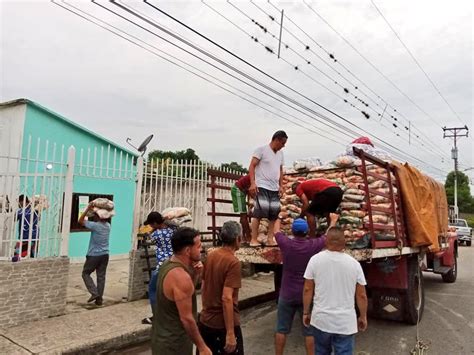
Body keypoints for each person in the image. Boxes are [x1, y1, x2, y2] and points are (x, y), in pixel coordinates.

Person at [274, 214, 339, 355]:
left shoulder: (286, 244)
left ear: (292, 231)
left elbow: (276, 232)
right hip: (306, 295)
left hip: (286, 294)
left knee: (281, 329)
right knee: (309, 332)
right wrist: (333, 221)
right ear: (306, 231)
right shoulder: (312, 245)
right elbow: (326, 236)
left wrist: (279, 217)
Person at [303, 227, 368, 355]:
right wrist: (363, 316)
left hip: (321, 320)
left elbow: (307, 289)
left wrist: (306, 312)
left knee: (321, 351)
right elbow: (361, 295)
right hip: (345, 324)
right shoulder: (354, 264)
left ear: (326, 241)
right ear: (344, 243)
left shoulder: (315, 260)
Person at [152, 227, 211, 355]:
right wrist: (202, 347)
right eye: (199, 246)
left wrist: (195, 275)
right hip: (174, 345)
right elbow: (187, 319)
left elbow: (185, 294)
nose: (201, 249)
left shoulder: (168, 264)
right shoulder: (180, 277)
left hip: (163, 340)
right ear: (188, 250)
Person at [199, 221, 244, 355]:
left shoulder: (211, 255)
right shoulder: (233, 262)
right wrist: (230, 333)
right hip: (221, 326)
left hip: (206, 321)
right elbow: (226, 298)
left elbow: (203, 285)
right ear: (237, 239)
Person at [249, 130, 288, 246]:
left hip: (274, 188)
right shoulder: (261, 150)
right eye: (282, 143)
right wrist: (253, 183)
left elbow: (280, 170)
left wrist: (281, 186)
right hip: (262, 186)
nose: (283, 146)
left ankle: (270, 239)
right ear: (276, 140)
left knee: (273, 215)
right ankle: (253, 240)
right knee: (258, 213)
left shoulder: (280, 154)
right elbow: (252, 166)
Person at [142, 211, 177, 324]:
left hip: (162, 265)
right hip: (174, 264)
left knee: (153, 290)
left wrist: (153, 230)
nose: (151, 226)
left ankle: (156, 317)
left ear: (156, 223)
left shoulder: (157, 234)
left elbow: (147, 238)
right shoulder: (173, 231)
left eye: (152, 224)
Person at [78, 202, 111, 306]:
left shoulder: (95, 226)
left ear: (98, 217)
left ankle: (94, 293)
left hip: (94, 255)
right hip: (105, 254)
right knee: (101, 277)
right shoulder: (108, 226)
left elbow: (80, 221)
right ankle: (99, 300)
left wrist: (88, 209)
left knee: (85, 273)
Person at [12, 195, 40, 262]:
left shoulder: (20, 211)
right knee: (31, 255)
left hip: (24, 237)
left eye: (19, 202)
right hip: (35, 236)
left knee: (17, 255)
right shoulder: (35, 210)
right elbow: (39, 218)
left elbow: (14, 219)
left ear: (22, 202)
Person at [231, 174, 251, 243]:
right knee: (243, 216)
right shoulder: (255, 176)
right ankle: (248, 237)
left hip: (242, 191)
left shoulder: (257, 176)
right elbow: (251, 191)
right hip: (238, 191)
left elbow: (249, 191)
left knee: (243, 215)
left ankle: (243, 237)